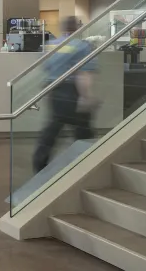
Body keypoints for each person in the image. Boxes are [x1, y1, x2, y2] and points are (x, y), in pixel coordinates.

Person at [32, 16, 97, 173]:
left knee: (55, 123)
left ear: (63, 28)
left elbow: (45, 66)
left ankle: (39, 161)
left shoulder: (51, 44)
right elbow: (84, 74)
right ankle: (88, 163)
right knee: (82, 129)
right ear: (77, 28)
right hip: (71, 90)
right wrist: (85, 96)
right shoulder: (82, 46)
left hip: (53, 88)